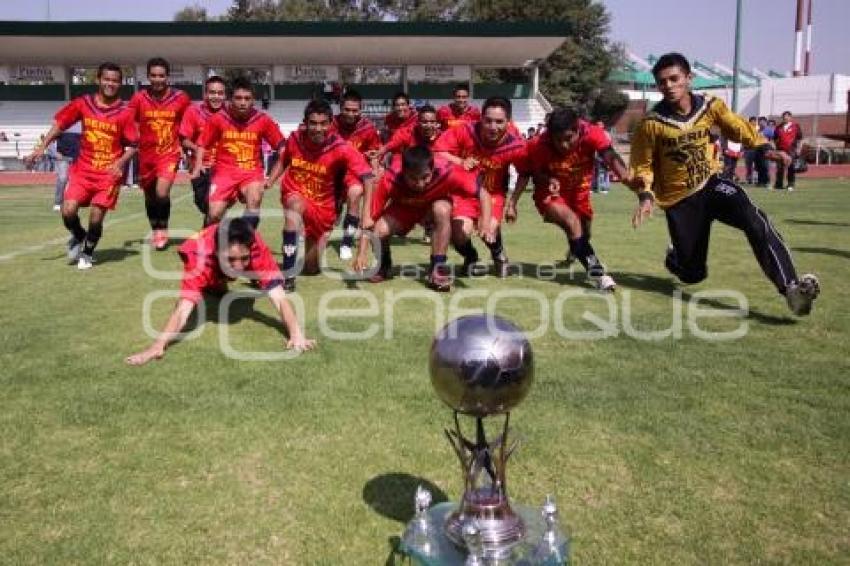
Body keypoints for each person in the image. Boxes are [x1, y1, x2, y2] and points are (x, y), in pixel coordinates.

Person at [625, 52, 819, 316]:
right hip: (679, 200)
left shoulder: (710, 106)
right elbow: (642, 165)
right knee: (693, 275)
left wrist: (766, 148)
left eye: (674, 79)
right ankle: (676, 258)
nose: (669, 86)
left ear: (689, 79)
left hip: (712, 183)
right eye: (662, 82)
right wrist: (645, 196)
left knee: (754, 219)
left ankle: (792, 290)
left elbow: (738, 128)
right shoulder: (652, 124)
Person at [125, 218, 315, 365]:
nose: (239, 266)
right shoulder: (199, 258)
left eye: (244, 258)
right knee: (210, 287)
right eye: (231, 259)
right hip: (201, 250)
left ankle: (217, 281)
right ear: (217, 253)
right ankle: (214, 283)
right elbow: (183, 311)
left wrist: (296, 333)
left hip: (220, 256)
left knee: (225, 280)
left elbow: (280, 298)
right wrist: (158, 345)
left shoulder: (257, 248)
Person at [24, 62, 138, 270]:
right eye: (107, 79)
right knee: (67, 211)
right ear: (98, 80)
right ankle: (79, 235)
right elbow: (60, 124)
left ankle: (87, 253)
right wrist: (42, 147)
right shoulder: (83, 103)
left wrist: (120, 163)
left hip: (108, 174)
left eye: (115, 80)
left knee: (96, 215)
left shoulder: (125, 112)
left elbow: (133, 145)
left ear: (120, 83)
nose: (110, 84)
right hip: (83, 171)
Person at [508, 108, 623, 291]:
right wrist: (547, 181)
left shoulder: (592, 133)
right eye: (558, 140)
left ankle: (576, 250)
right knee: (572, 222)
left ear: (578, 129)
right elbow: (535, 173)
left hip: (580, 192)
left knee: (584, 232)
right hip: (549, 195)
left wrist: (627, 177)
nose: (564, 145)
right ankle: (598, 274)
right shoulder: (538, 144)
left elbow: (609, 155)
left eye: (568, 138)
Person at [266, 99, 375, 291]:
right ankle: (289, 274)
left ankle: (277, 261)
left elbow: (367, 177)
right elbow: (284, 159)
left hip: (324, 209)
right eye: (313, 123)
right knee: (295, 205)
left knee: (311, 268)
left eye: (323, 123)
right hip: (295, 192)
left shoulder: (341, 147)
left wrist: (366, 215)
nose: (318, 128)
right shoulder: (295, 139)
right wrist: (270, 180)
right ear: (305, 123)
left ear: (330, 123)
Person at [353, 146, 492, 291]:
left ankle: (438, 269)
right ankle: (384, 265)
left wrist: (485, 223)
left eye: (425, 177)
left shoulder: (449, 171)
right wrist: (361, 254)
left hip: (433, 207)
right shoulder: (389, 178)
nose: (420, 184)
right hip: (405, 208)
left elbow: (483, 194)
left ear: (433, 170)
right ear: (403, 172)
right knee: (379, 230)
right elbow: (368, 220)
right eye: (413, 178)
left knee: (442, 209)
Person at [434, 96, 527, 277]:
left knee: (489, 230)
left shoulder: (515, 144)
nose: (493, 127)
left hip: (493, 194)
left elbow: (525, 173)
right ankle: (471, 256)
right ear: (481, 118)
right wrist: (460, 161)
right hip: (465, 194)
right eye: (488, 120)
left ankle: (499, 255)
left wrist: (513, 203)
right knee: (459, 234)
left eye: (499, 122)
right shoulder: (465, 131)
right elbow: (438, 151)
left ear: (508, 122)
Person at [193, 77, 285, 228]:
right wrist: (197, 166)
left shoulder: (263, 120)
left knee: (254, 201)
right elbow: (202, 143)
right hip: (224, 173)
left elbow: (283, 148)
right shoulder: (218, 119)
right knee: (214, 214)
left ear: (253, 100)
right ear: (230, 99)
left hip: (251, 173)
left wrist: (272, 179)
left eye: (247, 98)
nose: (243, 102)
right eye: (238, 98)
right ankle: (208, 239)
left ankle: (245, 244)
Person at [129, 57, 192, 250]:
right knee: (149, 197)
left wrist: (185, 146)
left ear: (167, 76)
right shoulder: (139, 98)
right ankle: (155, 229)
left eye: (161, 75)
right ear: (148, 76)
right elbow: (128, 122)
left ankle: (163, 229)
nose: (157, 79)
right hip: (146, 155)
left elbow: (188, 123)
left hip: (169, 153)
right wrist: (132, 140)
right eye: (154, 75)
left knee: (162, 192)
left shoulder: (180, 98)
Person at [330, 89, 382, 260]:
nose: (351, 114)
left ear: (361, 109)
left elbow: (374, 153)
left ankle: (346, 242)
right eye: (347, 110)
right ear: (340, 108)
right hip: (331, 171)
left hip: (354, 172)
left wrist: (374, 171)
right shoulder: (330, 124)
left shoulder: (368, 128)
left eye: (355, 110)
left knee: (355, 195)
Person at [178, 75, 226, 220]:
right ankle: (214, 228)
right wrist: (199, 149)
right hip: (199, 167)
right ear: (205, 94)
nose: (216, 97)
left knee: (214, 204)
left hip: (222, 168)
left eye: (220, 93)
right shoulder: (193, 111)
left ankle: (211, 236)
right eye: (212, 92)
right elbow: (184, 139)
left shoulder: (230, 113)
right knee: (201, 202)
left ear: (225, 95)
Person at [376, 104, 441, 169]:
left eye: (432, 122)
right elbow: (393, 143)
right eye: (424, 122)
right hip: (411, 167)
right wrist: (380, 151)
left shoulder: (442, 136)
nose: (428, 126)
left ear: (436, 123)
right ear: (418, 122)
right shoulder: (409, 132)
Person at [51, 128, 81, 211]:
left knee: (75, 181)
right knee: (62, 178)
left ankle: (74, 203)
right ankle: (58, 202)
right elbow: (51, 139)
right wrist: (55, 153)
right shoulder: (62, 125)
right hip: (63, 157)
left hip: (77, 158)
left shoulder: (81, 125)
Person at [773, 110, 803, 191]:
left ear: (790, 117)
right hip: (781, 150)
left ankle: (791, 184)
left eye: (787, 117)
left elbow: (800, 139)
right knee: (780, 167)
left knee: (791, 167)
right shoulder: (778, 127)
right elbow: (775, 139)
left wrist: (799, 149)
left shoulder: (795, 126)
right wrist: (777, 149)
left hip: (791, 150)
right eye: (783, 117)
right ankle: (778, 184)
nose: (785, 118)